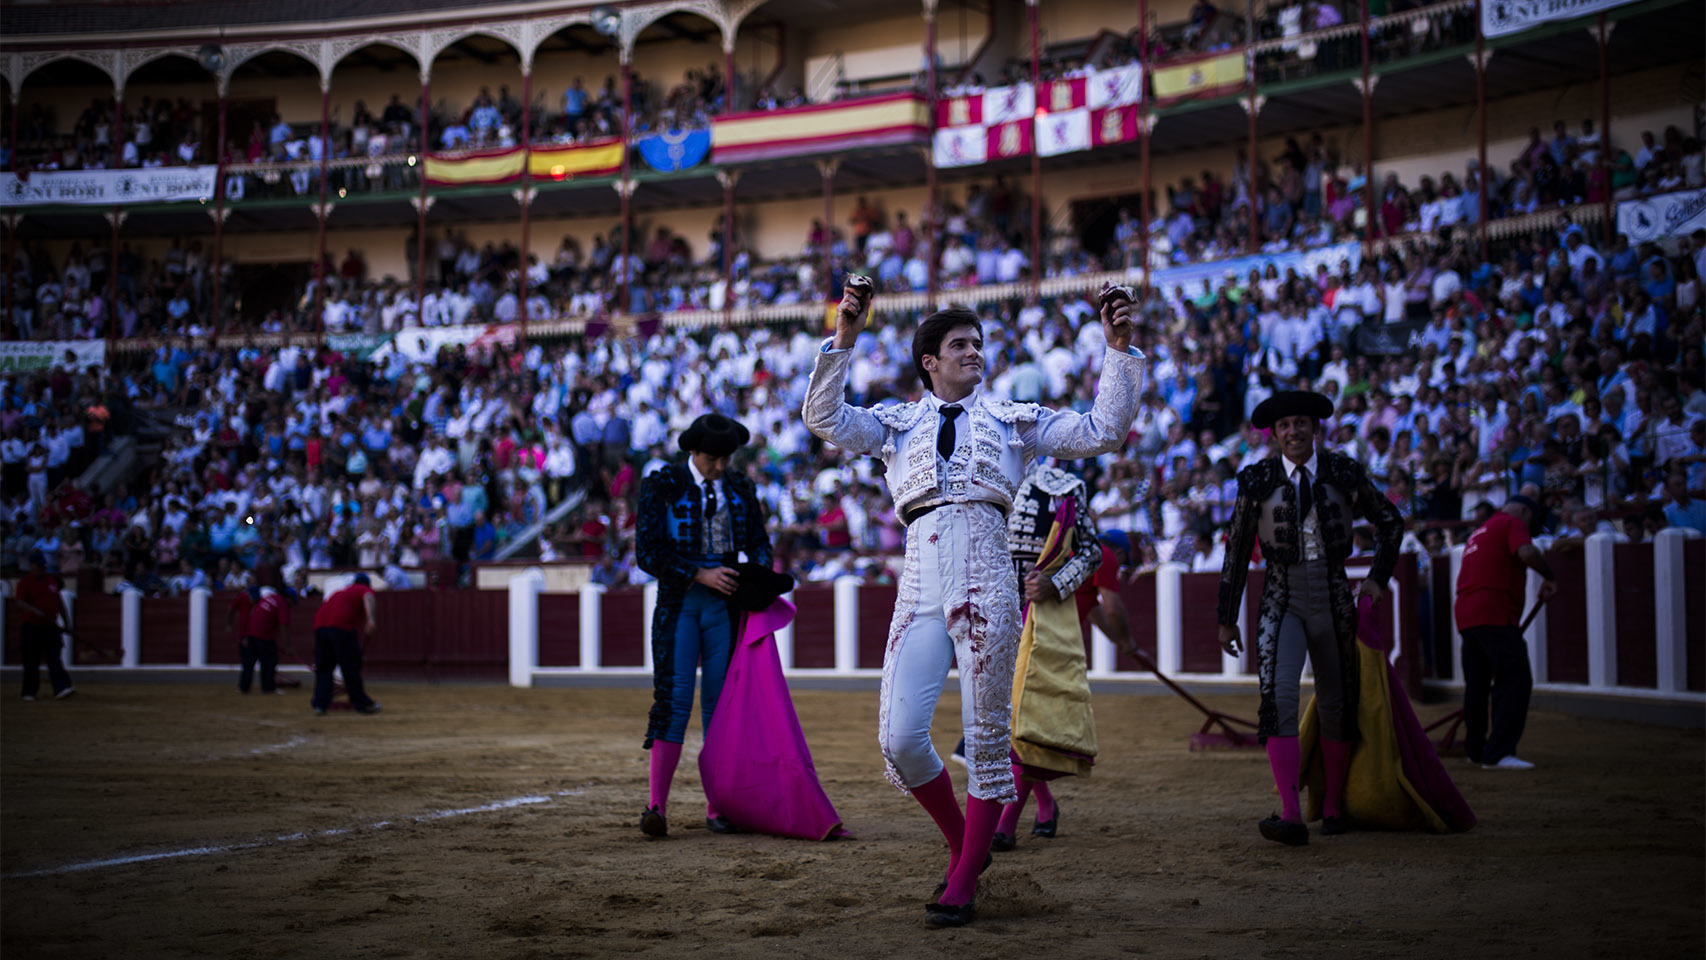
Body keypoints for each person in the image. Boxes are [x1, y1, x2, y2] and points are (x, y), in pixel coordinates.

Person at [802, 279, 1145, 927]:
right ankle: (966, 845)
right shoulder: (895, 424)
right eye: (960, 345)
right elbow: (822, 418)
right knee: (900, 739)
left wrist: (1118, 349)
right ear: (928, 360)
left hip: (987, 565)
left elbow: (1103, 430)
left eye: (979, 345)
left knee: (987, 738)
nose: (974, 353)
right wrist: (844, 338)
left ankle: (962, 881)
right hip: (920, 570)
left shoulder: (1014, 421)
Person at [1217, 390, 1404, 846]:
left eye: (1301, 423)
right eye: (1284, 426)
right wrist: (1226, 617)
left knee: (1338, 703)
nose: (1293, 431)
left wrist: (1377, 579)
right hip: (1281, 600)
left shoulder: (1343, 471)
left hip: (1336, 597)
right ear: (1275, 434)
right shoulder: (1257, 479)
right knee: (1278, 700)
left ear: (1314, 429)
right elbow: (1238, 551)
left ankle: (1335, 807)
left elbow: (1391, 521)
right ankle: (1290, 813)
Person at [635, 412, 775, 838]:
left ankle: (719, 805)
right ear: (693, 452)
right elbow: (648, 553)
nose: (721, 465)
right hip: (681, 604)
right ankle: (657, 805)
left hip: (725, 609)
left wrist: (754, 579)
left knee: (720, 708)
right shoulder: (662, 485)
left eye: (726, 457)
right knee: (674, 705)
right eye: (714, 458)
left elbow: (760, 546)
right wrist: (699, 573)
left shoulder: (740, 487)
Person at [990, 462, 1104, 851]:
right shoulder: (978, 475)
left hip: (1037, 612)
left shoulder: (1063, 487)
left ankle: (1005, 822)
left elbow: (1091, 551)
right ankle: (1045, 805)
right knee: (1001, 717)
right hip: (993, 608)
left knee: (1027, 712)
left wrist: (1056, 583)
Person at [1454, 496, 1555, 770]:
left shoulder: (1479, 531)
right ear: (1524, 511)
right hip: (1495, 611)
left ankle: (1475, 750)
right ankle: (1498, 753)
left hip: (1466, 613)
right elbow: (1527, 553)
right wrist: (1550, 576)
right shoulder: (1512, 522)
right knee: (1515, 679)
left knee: (1477, 685)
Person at [311, 573, 382, 716]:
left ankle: (320, 704)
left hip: (320, 628)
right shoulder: (363, 589)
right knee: (350, 667)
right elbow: (368, 597)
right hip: (341, 628)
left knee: (324, 668)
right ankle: (361, 704)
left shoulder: (339, 592)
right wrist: (371, 619)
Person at [15, 551, 75, 701]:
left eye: (43, 566)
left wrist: (67, 622)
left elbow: (59, 602)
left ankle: (61, 688)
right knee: (31, 661)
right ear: (31, 566)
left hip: (50, 626)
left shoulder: (51, 580)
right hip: (31, 626)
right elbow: (19, 602)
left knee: (54, 658)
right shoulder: (25, 582)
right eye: (39, 565)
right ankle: (29, 692)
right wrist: (34, 610)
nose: (42, 568)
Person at [239, 585, 289, 695]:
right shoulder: (281, 602)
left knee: (248, 663)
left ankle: (243, 687)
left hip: (252, 635)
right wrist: (287, 646)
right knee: (269, 662)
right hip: (265, 637)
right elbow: (284, 625)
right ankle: (268, 688)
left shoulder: (265, 600)